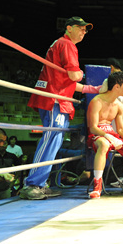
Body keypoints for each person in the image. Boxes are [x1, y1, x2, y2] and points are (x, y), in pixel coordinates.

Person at [21, 16, 99, 201]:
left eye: (85, 29)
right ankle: (32, 184)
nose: (83, 32)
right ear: (69, 28)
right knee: (50, 139)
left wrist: (94, 88)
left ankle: (40, 183)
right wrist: (80, 74)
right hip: (54, 99)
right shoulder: (67, 45)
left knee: (54, 141)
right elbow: (74, 75)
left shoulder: (61, 45)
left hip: (57, 97)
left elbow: (71, 82)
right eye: (80, 28)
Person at [86, 71, 123, 199]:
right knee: (103, 144)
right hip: (98, 135)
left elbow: (120, 130)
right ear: (116, 87)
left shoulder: (119, 105)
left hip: (113, 135)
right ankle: (97, 186)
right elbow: (92, 128)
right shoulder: (97, 102)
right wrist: (108, 137)